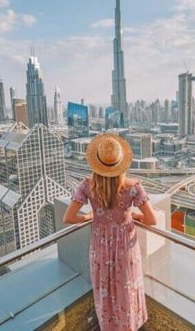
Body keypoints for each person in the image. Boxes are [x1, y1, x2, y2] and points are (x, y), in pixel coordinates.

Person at [63, 133, 157, 331]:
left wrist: (89, 217)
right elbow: (151, 220)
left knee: (104, 290)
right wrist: (131, 217)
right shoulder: (133, 187)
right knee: (127, 290)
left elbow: (68, 218)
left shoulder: (87, 185)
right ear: (121, 163)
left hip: (100, 247)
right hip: (125, 248)